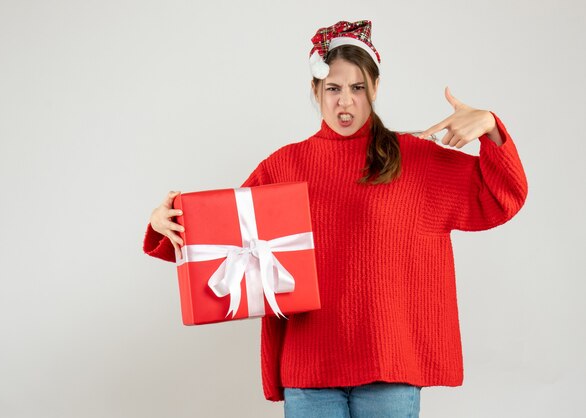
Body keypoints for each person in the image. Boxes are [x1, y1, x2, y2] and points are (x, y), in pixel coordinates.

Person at [143, 20, 528, 418]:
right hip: (310, 371)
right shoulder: (284, 166)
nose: (345, 101)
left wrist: (491, 129)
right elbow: (221, 245)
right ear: (316, 91)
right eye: (333, 89)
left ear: (375, 89)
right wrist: (163, 221)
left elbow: (502, 197)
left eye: (357, 88)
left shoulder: (415, 159)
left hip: (389, 366)